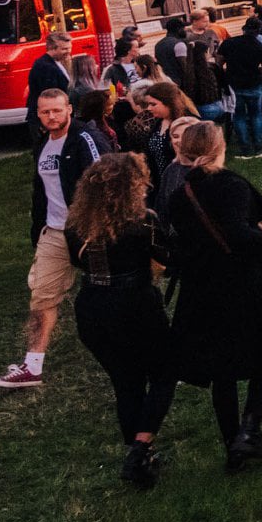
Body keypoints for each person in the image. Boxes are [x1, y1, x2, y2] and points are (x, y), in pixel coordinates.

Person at [165, 121, 262, 469]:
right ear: (218, 148)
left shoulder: (179, 195)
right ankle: (249, 427)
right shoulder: (231, 185)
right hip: (241, 282)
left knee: (222, 368)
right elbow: (238, 235)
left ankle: (233, 444)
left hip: (201, 287)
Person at [63, 152, 176, 487]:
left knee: (126, 382)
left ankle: (138, 454)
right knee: (165, 372)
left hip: (92, 308)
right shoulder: (143, 221)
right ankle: (141, 448)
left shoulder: (75, 226)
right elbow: (169, 259)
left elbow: (77, 262)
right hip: (135, 304)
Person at [0, 89, 109, 389]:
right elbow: (41, 190)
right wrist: (38, 228)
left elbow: (106, 183)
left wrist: (98, 228)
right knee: (42, 296)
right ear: (38, 114)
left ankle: (145, 354)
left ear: (69, 109)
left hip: (89, 230)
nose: (51, 117)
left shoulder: (85, 139)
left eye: (57, 110)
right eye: (45, 112)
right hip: (54, 232)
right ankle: (32, 366)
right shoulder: (43, 143)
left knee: (111, 294)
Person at [219, 17, 262, 161]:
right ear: (258, 32)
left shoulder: (229, 43)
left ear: (244, 29)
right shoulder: (261, 47)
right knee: (256, 115)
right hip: (254, 84)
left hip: (234, 85)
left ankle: (245, 149)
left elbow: (218, 62)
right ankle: (258, 148)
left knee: (239, 117)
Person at [26, 31, 74, 119]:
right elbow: (50, 96)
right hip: (48, 119)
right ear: (52, 48)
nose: (69, 51)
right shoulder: (45, 67)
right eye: (64, 49)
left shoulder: (54, 62)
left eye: (69, 48)